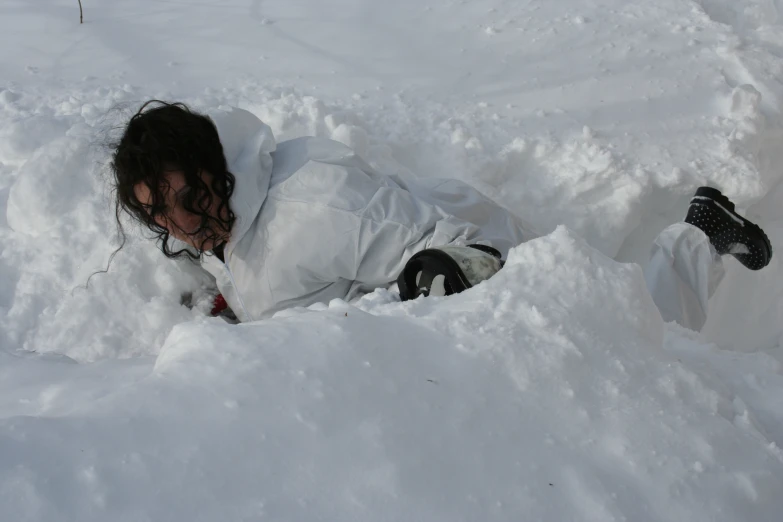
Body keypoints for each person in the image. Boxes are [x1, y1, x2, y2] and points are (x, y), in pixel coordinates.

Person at [111, 101, 773, 331]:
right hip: (409, 311)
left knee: (642, 343)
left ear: (212, 171)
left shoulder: (317, 207)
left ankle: (698, 230)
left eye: (180, 199)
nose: (172, 222)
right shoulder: (219, 217)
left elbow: (451, 245)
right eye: (153, 213)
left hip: (493, 284)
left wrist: (443, 275)